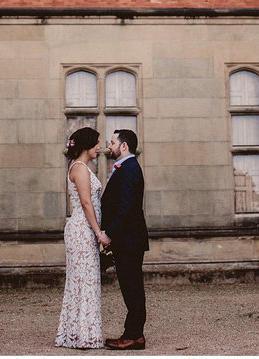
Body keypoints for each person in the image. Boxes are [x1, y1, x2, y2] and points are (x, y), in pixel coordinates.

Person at [55, 127, 112, 349]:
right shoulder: (79, 169)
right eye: (96, 143)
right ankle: (81, 335)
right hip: (81, 229)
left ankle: (81, 333)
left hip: (85, 229)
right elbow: (87, 203)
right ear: (87, 145)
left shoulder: (83, 168)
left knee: (86, 280)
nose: (99, 147)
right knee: (82, 281)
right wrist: (99, 232)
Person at [101, 128, 150, 351]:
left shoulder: (129, 168)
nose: (108, 147)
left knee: (132, 288)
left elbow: (127, 207)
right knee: (130, 287)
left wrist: (109, 234)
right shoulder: (126, 167)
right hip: (128, 239)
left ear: (124, 146)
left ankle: (134, 336)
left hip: (129, 240)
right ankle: (133, 334)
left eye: (112, 142)